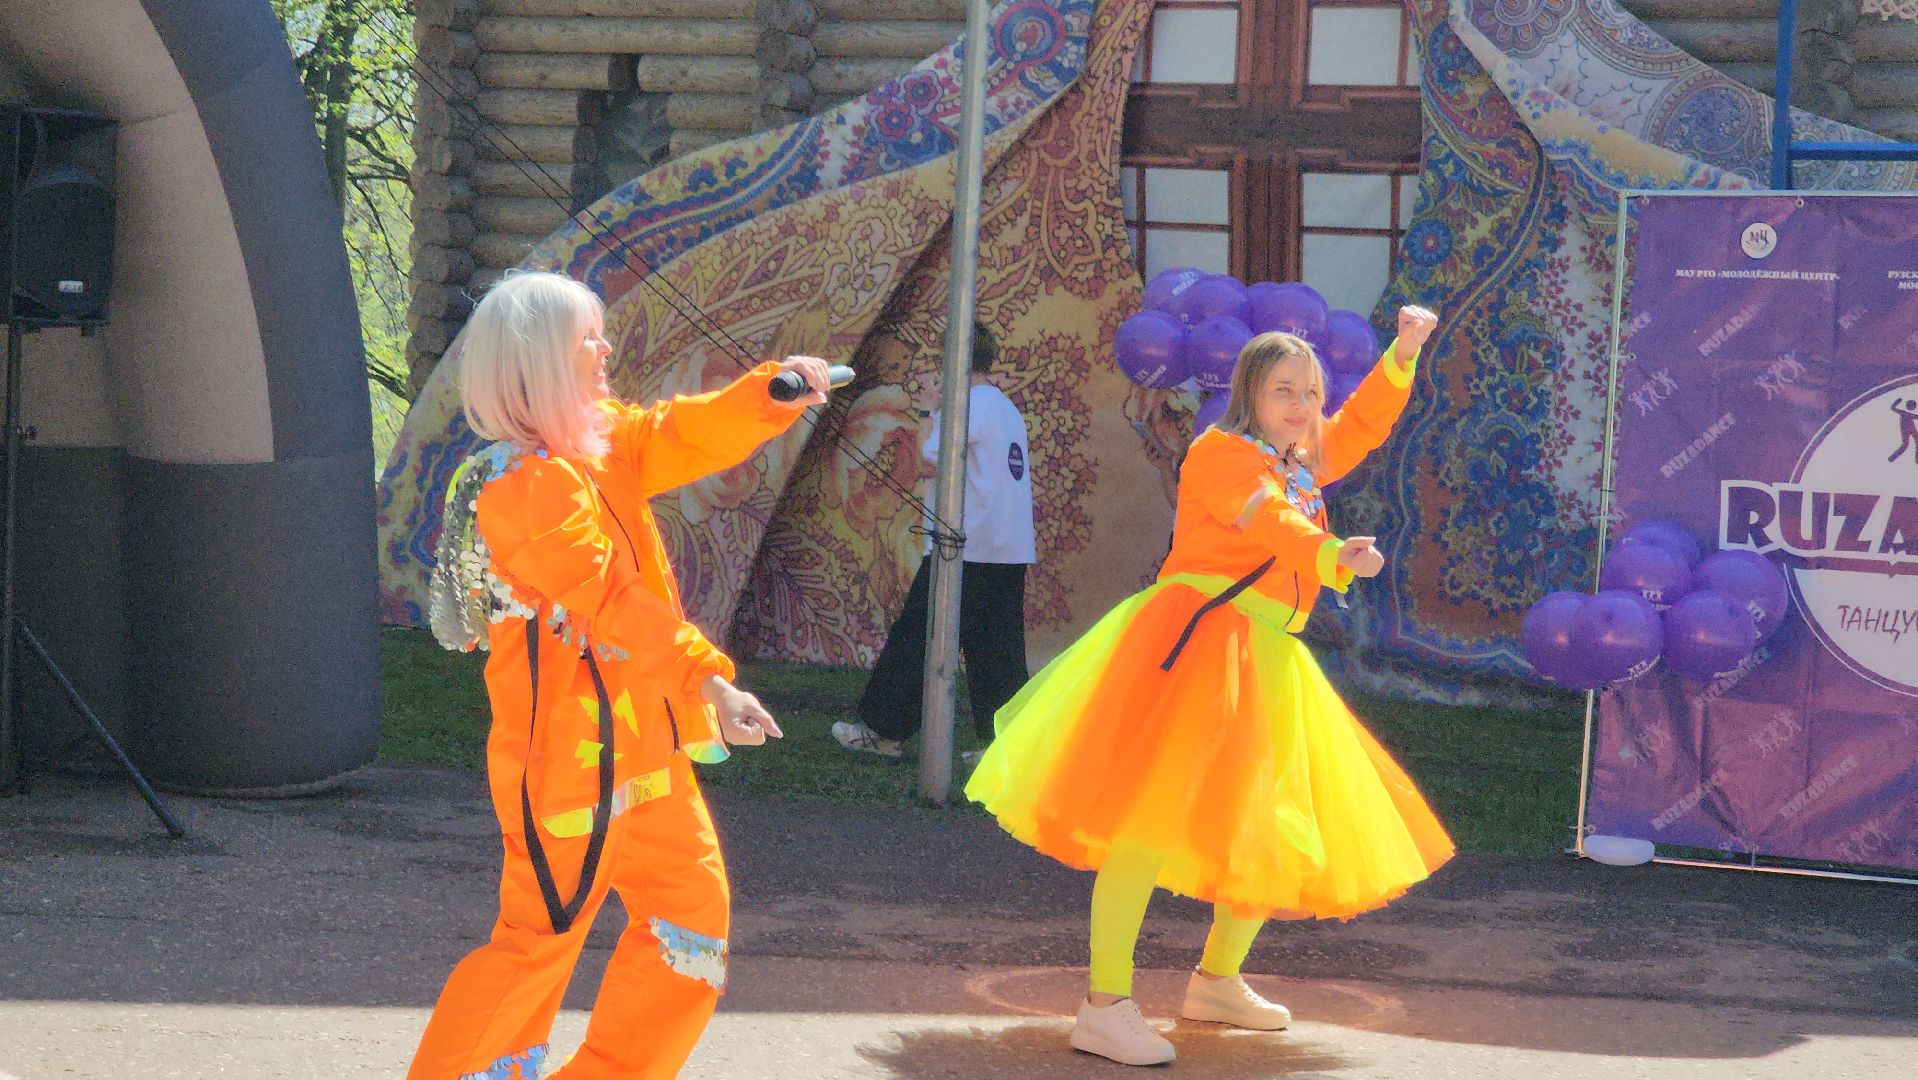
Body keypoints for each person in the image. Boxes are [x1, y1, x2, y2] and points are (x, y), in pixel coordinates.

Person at [964, 308, 1456, 1067]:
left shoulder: (1297, 458)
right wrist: (1331, 558)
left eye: (1310, 392)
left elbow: (1360, 428)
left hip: (1267, 655)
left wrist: (1403, 353)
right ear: (1250, 394)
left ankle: (1217, 981)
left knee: (1264, 818)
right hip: (1200, 647)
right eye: (1284, 389)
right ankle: (1103, 1004)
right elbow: (1273, 530)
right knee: (1146, 818)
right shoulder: (1223, 455)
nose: (1301, 404)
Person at [410, 271, 832, 1080]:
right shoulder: (524, 486)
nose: (606, 350)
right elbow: (611, 601)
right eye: (586, 341)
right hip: (569, 772)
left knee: (691, 927)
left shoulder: (601, 445)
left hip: (647, 760)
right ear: (537, 363)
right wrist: (708, 680)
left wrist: (769, 396)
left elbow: (681, 433)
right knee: (536, 949)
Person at [832, 324, 1036, 763]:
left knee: (919, 637)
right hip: (1006, 547)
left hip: (964, 546)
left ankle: (882, 732)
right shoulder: (1004, 407)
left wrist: (927, 411)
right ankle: (1008, 745)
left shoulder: (968, 406)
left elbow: (929, 465)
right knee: (996, 650)